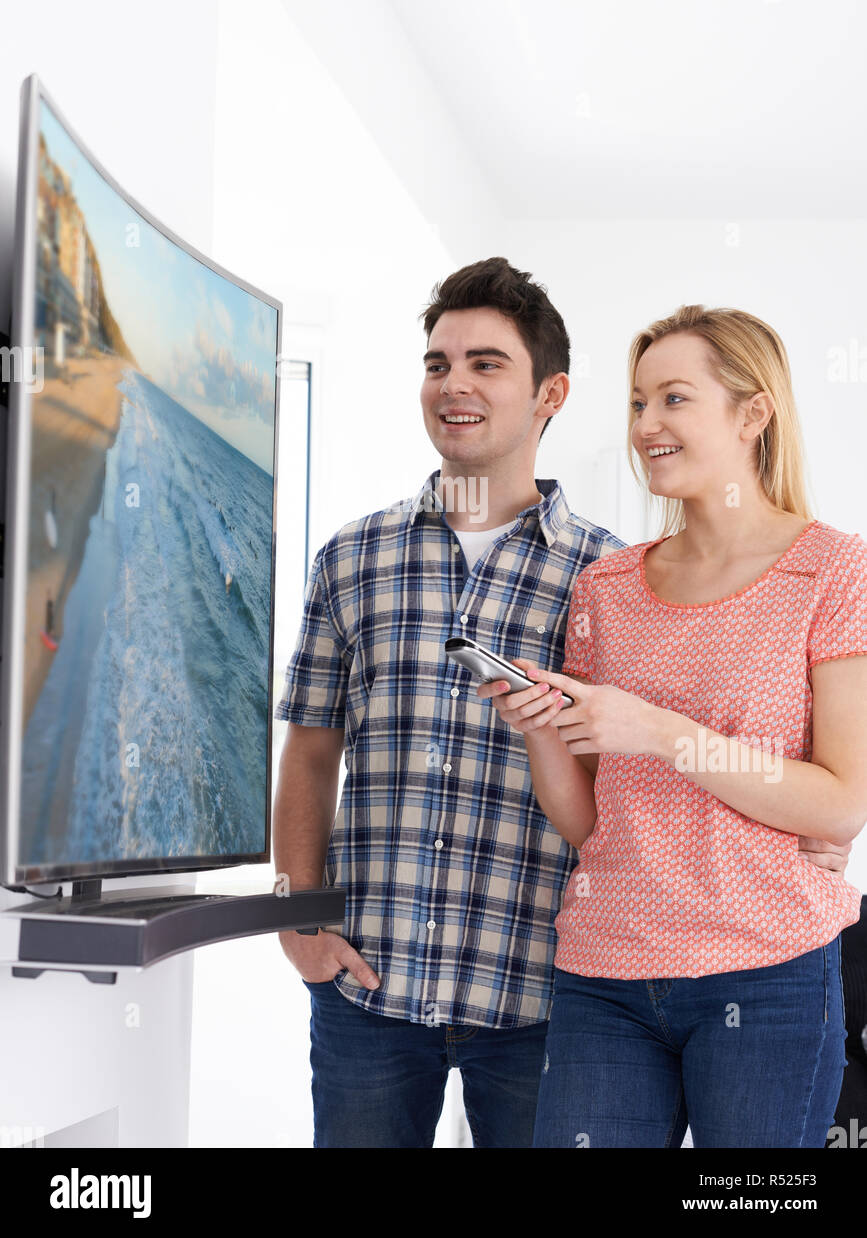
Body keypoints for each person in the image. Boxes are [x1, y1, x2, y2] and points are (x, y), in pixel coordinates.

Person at [273, 267, 851, 1148]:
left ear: (550, 394)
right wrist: (298, 916)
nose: (453, 384)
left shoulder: (620, 573)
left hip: (558, 980)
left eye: (486, 364)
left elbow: (819, 791)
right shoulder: (373, 561)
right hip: (427, 980)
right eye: (436, 363)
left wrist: (783, 813)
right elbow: (313, 750)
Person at [478, 303, 866, 1148]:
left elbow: (839, 805)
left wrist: (656, 732)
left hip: (769, 973)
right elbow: (589, 824)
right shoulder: (605, 589)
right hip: (603, 974)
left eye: (673, 400)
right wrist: (543, 726)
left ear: (752, 413)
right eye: (636, 403)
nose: (645, 425)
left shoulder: (832, 571)